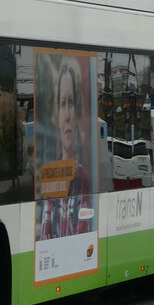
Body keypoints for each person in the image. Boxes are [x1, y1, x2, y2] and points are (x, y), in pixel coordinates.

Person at [54, 55, 93, 235]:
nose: (68, 115)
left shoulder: (83, 177)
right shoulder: (48, 177)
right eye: (63, 104)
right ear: (57, 114)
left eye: (72, 103)